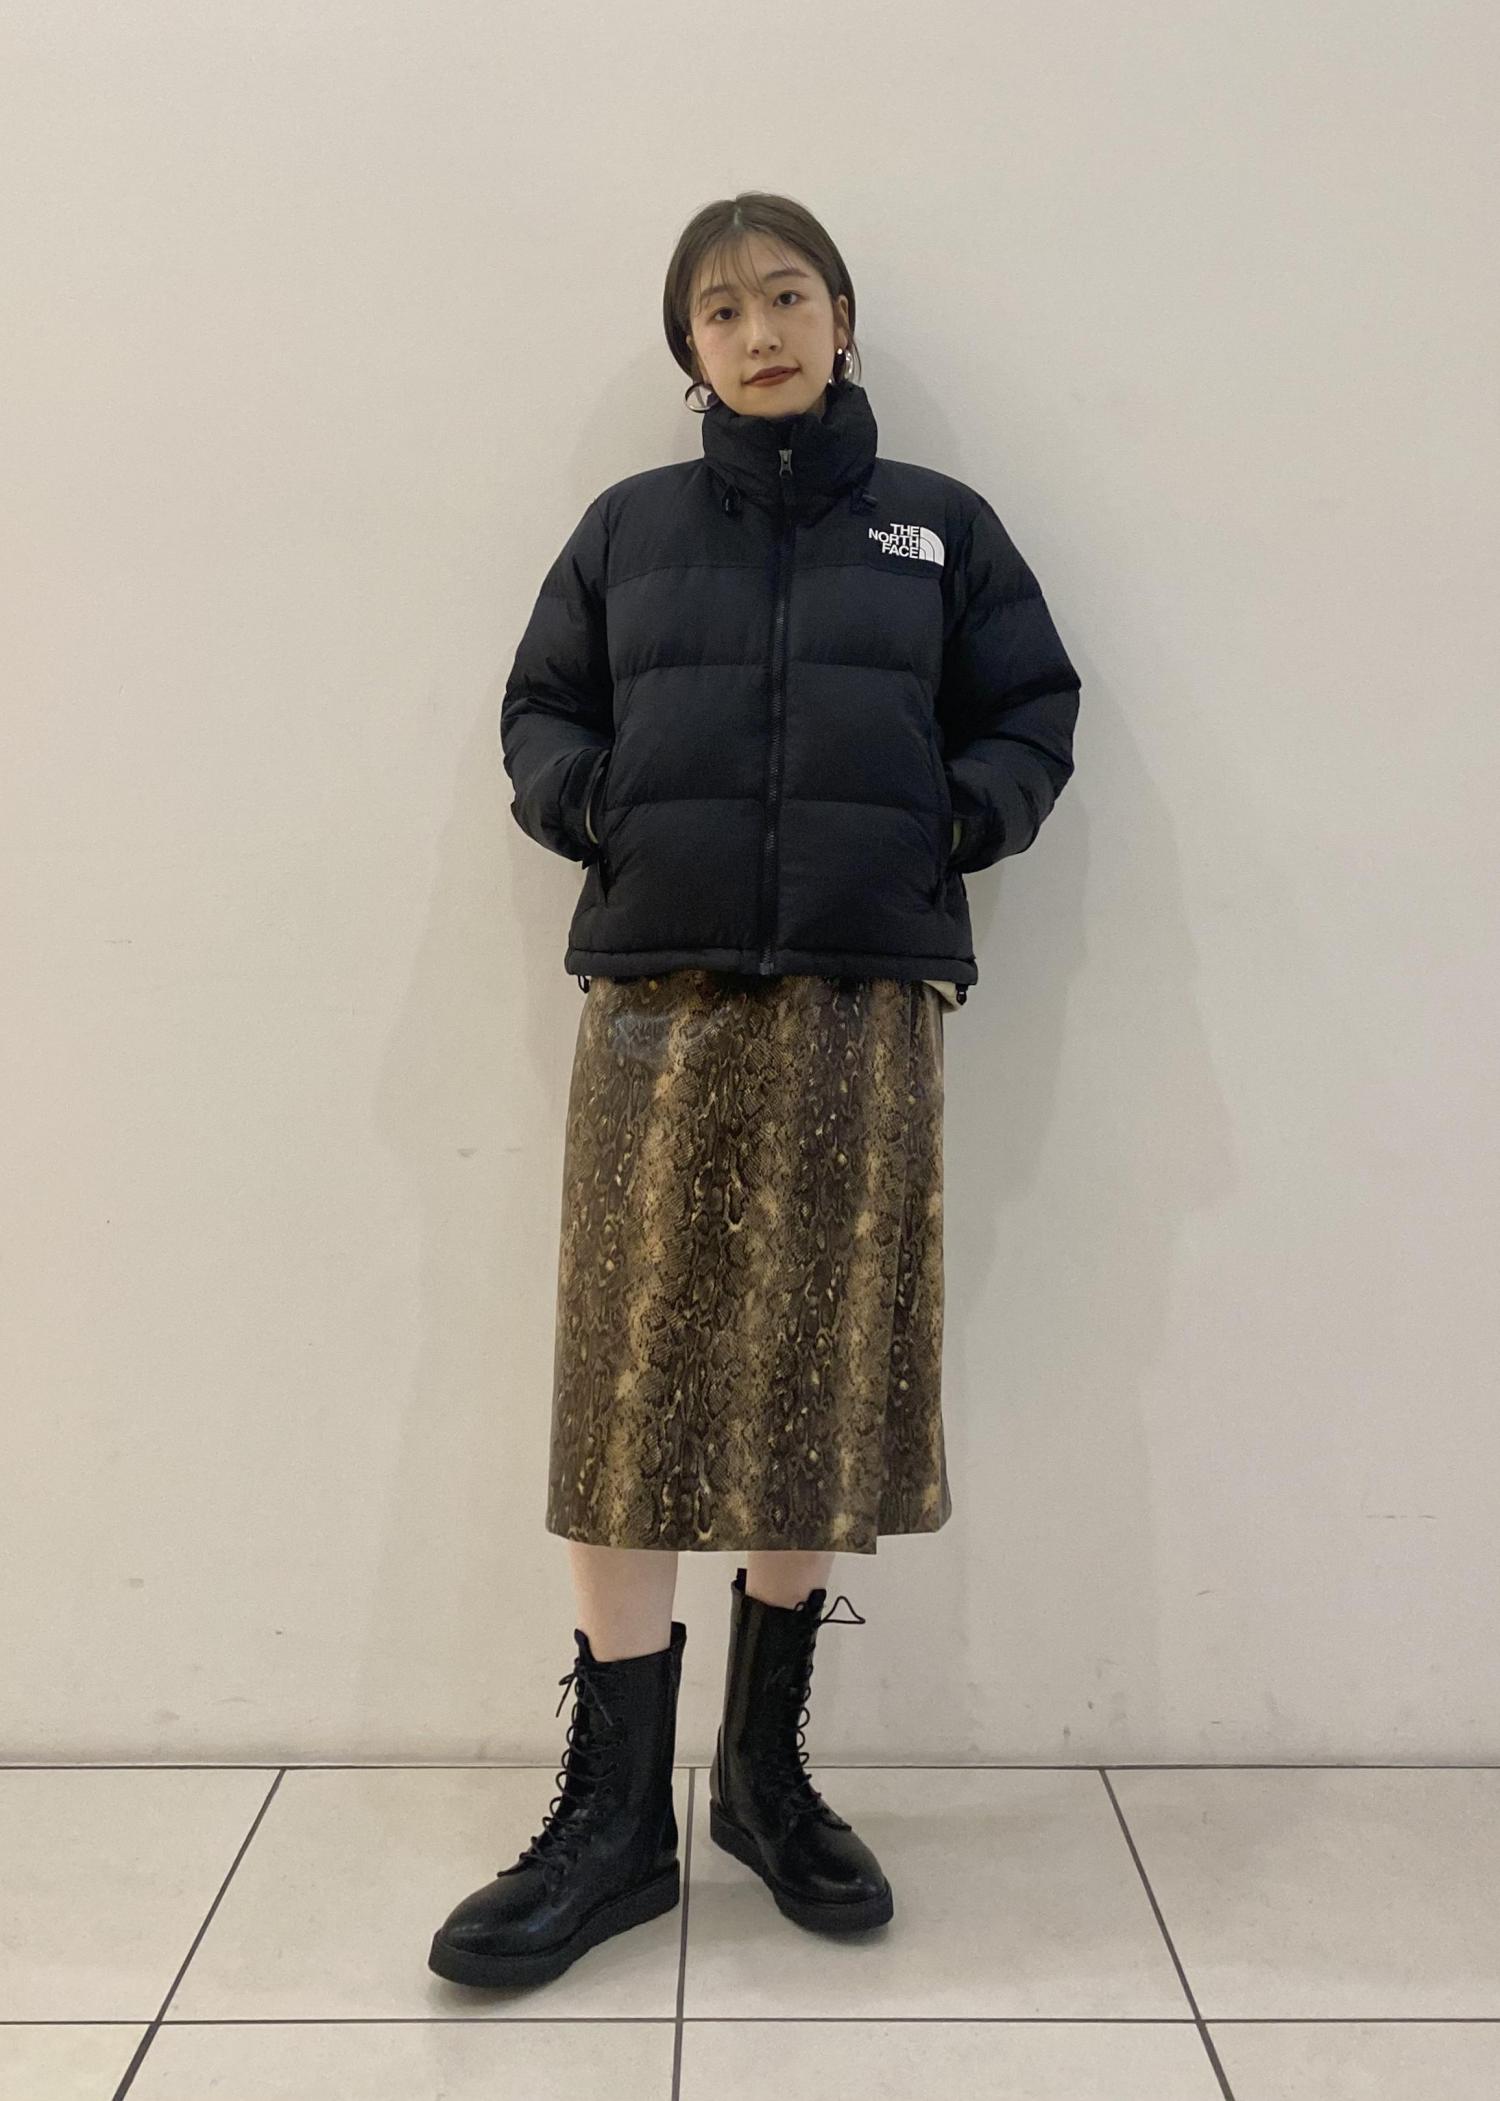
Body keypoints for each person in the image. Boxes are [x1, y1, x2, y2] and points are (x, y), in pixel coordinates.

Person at [429, 192, 1081, 1991]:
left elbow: (1032, 712)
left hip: (864, 997)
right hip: (662, 991)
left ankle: (764, 1781)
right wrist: (606, 811)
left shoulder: (939, 529)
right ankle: (612, 1820)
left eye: (787, 294)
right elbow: (540, 712)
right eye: (720, 310)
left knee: (819, 1368)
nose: (760, 329)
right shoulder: (627, 532)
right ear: (690, 353)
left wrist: (950, 826)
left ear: (843, 318)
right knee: (627, 1376)